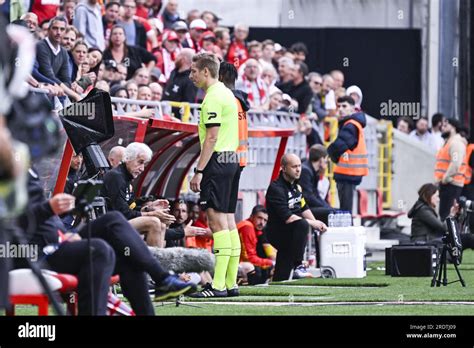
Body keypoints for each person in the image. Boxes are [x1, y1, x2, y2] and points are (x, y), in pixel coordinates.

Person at [20, 167, 196, 315]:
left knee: (115, 224)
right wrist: (49, 208)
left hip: (60, 240)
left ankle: (162, 280)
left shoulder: (26, 166)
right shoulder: (11, 170)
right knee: (101, 247)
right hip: (37, 253)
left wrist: (65, 224)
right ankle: (162, 279)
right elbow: (11, 223)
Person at [188, 53, 241, 298]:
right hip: (231, 159)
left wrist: (199, 171)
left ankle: (217, 285)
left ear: (206, 72)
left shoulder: (212, 99)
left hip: (217, 161)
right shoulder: (228, 94)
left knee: (217, 222)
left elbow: (211, 137)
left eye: (193, 71)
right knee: (229, 221)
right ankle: (230, 283)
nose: (191, 76)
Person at [265, 153, 327, 281]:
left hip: (290, 231)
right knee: (303, 224)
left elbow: (303, 207)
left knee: (283, 269)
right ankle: (299, 265)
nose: (298, 169)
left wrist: (317, 223)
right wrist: (311, 223)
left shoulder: (296, 186)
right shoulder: (276, 189)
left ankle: (277, 285)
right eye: (294, 167)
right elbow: (288, 218)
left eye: (299, 166)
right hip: (277, 232)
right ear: (284, 168)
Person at [101, 142, 176, 247]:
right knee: (154, 222)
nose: (142, 168)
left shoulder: (125, 177)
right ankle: (151, 262)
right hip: (110, 224)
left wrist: (149, 208)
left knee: (162, 225)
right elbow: (124, 213)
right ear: (128, 158)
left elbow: (131, 207)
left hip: (118, 221)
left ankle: (158, 260)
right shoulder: (116, 177)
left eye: (144, 164)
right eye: (140, 162)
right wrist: (153, 214)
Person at [327, 96, 369, 213]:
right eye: (338, 106)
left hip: (347, 173)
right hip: (350, 173)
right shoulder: (353, 123)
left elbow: (338, 146)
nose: (340, 109)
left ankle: (347, 229)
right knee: (346, 208)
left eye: (344, 106)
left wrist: (330, 154)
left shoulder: (350, 125)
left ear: (353, 109)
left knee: (345, 210)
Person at [408, 183, 474, 249]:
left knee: (461, 239)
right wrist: (451, 214)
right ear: (429, 195)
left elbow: (443, 227)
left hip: (428, 241)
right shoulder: (423, 211)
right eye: (437, 196)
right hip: (424, 243)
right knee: (466, 238)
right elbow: (444, 228)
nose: (438, 199)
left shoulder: (424, 208)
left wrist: (453, 214)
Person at [434, 118, 467, 221]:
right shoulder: (448, 142)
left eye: (445, 125)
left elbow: (456, 163)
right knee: (445, 215)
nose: (442, 128)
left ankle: (448, 237)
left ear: (453, 128)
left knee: (448, 216)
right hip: (447, 184)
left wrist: (445, 178)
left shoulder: (456, 143)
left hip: (451, 184)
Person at [237, 205, 275, 285]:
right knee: (257, 270)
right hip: (237, 264)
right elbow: (249, 257)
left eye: (265, 220)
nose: (262, 223)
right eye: (259, 218)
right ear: (251, 216)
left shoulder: (255, 229)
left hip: (237, 262)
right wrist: (271, 263)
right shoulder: (247, 227)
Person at [299, 144, 336, 224]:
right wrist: (327, 208)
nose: (326, 164)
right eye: (326, 161)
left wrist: (327, 207)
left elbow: (316, 195)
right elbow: (308, 197)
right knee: (331, 213)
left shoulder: (312, 171)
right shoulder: (306, 171)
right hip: (304, 209)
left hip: (309, 207)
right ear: (321, 159)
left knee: (335, 211)